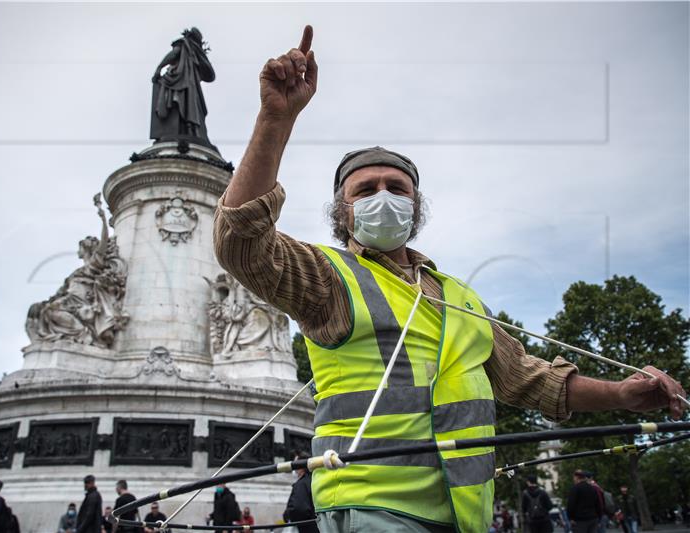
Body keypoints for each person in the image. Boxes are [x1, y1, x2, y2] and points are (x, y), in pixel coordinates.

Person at [212, 23, 687, 533]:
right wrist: (274, 120)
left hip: (462, 513)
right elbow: (240, 243)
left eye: (397, 187)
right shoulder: (328, 277)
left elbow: (533, 381)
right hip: (371, 509)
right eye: (365, 189)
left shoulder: (460, 297)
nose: (383, 195)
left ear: (416, 207)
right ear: (341, 212)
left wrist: (620, 394)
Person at [283, 454, 318, 533]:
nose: (294, 469)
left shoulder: (302, 484)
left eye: (295, 465)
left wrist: (287, 515)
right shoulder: (315, 481)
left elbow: (299, 509)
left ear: (301, 467)